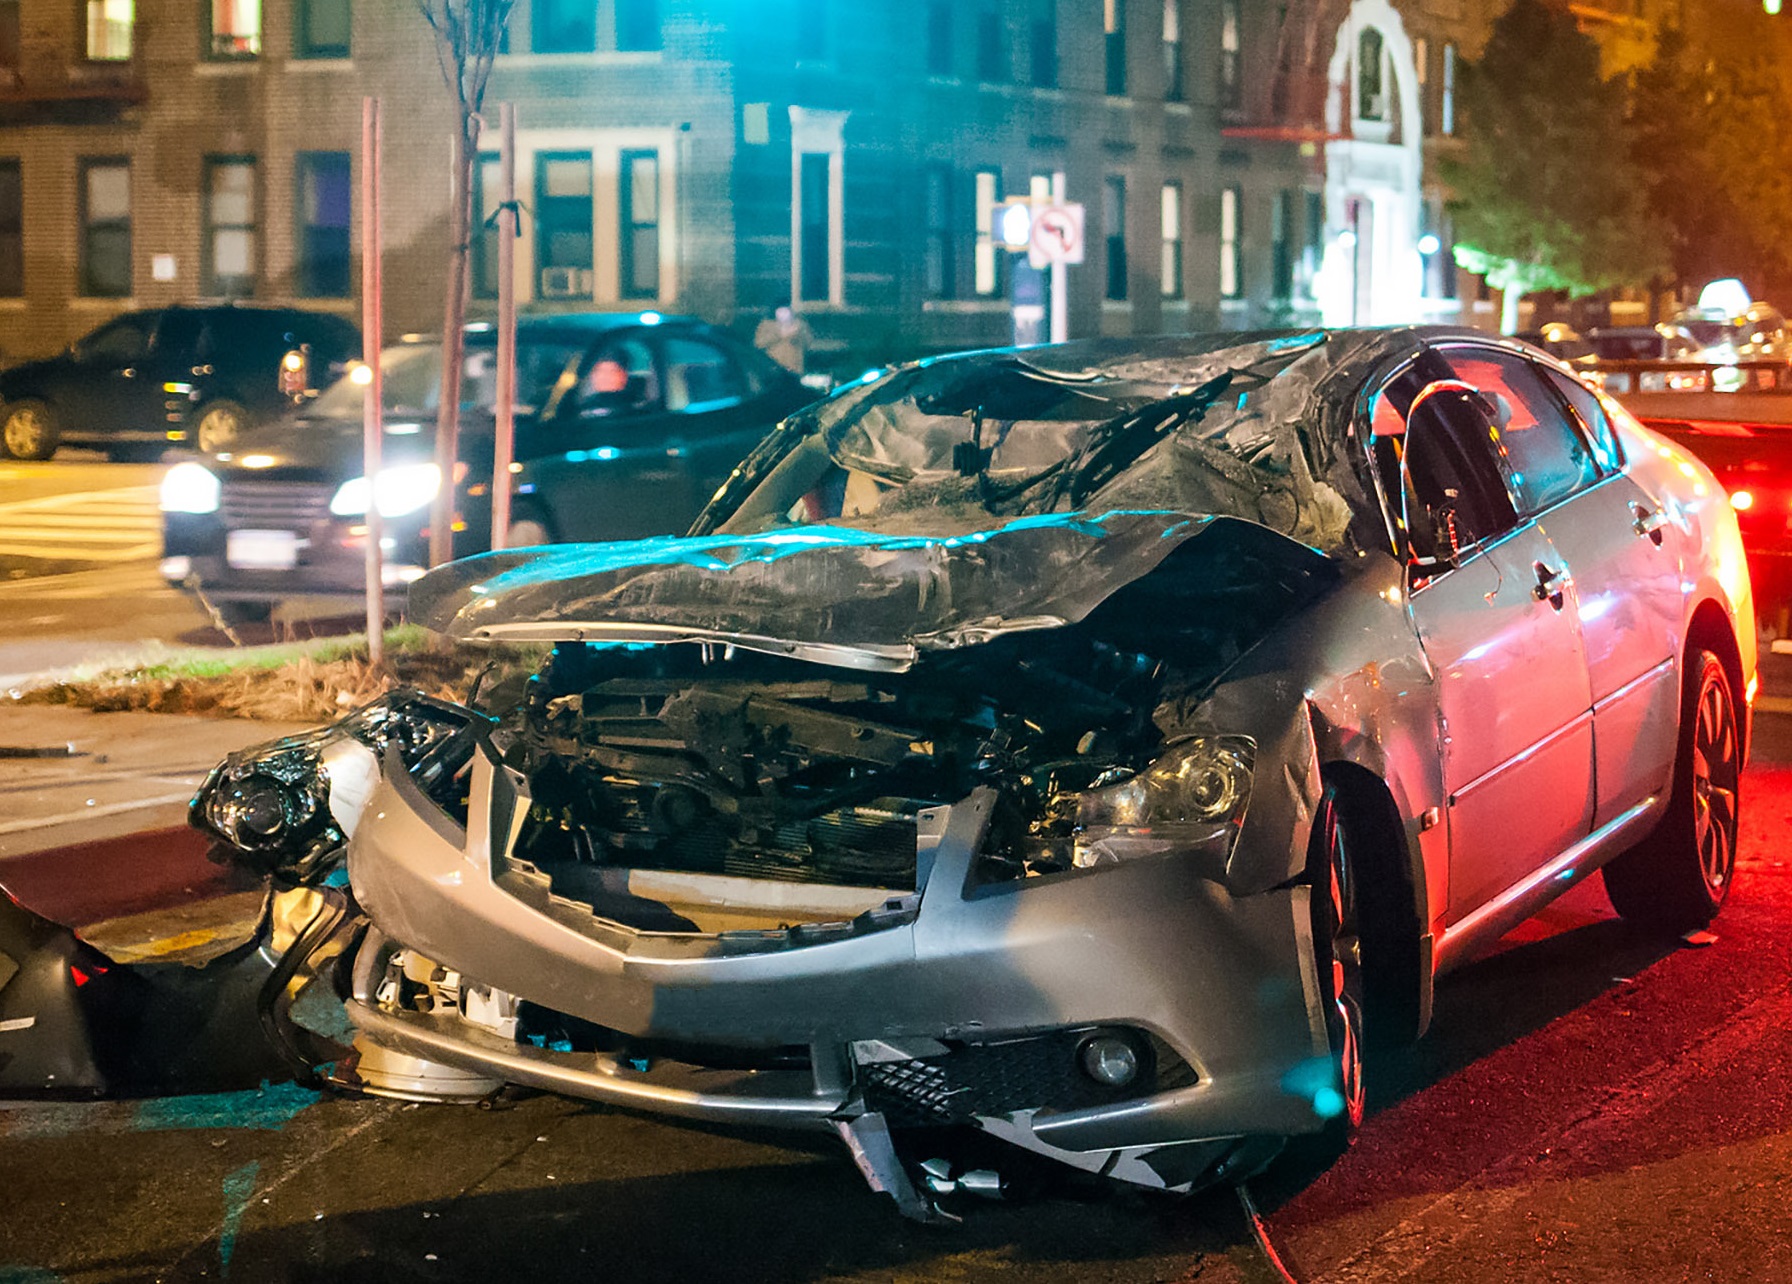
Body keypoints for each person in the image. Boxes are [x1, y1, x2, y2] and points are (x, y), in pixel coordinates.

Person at [754, 298, 812, 375]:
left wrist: (796, 335)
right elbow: (759, 343)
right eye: (781, 311)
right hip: (774, 367)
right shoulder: (766, 325)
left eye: (786, 310)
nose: (784, 314)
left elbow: (807, 343)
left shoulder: (800, 325)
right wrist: (779, 334)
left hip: (794, 368)